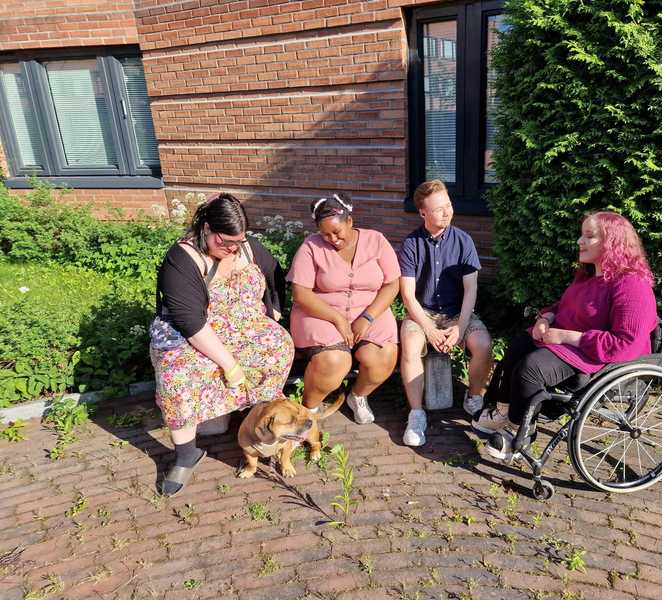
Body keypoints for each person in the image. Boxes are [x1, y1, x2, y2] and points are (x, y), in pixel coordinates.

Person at [471, 211, 658, 460]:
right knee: (519, 345)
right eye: (581, 235)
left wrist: (568, 337)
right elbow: (565, 307)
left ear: (612, 242)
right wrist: (546, 318)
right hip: (571, 346)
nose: (580, 241)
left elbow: (625, 344)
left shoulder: (632, 285)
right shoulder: (589, 277)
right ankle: (506, 411)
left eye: (589, 236)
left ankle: (520, 431)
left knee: (531, 368)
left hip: (599, 358)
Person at [150, 193, 294, 496]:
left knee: (278, 346)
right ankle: (187, 452)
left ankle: (258, 423)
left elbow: (275, 273)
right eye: (224, 242)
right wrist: (229, 364)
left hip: (244, 327)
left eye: (237, 242)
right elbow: (190, 322)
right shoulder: (182, 258)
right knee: (177, 374)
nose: (231, 249)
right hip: (198, 334)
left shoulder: (246, 248)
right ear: (205, 228)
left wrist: (275, 311)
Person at [287, 193, 400, 421]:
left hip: (369, 310)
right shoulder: (311, 246)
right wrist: (338, 319)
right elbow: (300, 294)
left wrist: (367, 317)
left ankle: (358, 395)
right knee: (334, 361)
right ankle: (308, 410)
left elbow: (392, 284)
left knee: (384, 355)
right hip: (320, 313)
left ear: (350, 221)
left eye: (337, 232)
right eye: (325, 234)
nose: (332, 239)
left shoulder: (376, 240)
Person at [398, 179, 493, 446]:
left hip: (456, 314)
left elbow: (471, 290)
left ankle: (474, 398)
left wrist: (460, 329)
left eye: (448, 205)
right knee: (411, 343)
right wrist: (428, 329)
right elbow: (407, 295)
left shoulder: (464, 241)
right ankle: (416, 414)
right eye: (439, 208)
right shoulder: (411, 244)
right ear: (423, 212)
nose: (447, 212)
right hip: (423, 313)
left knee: (483, 344)